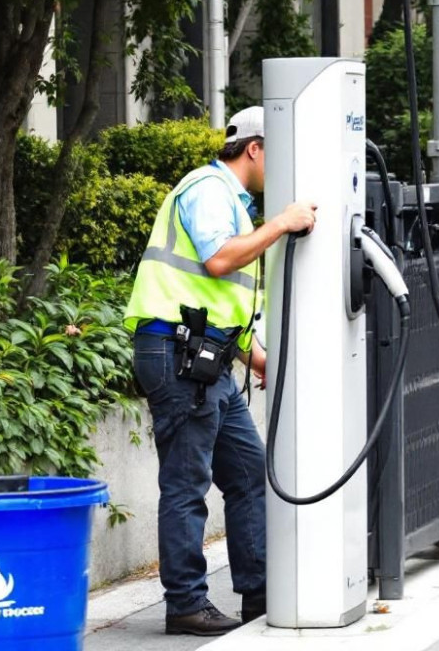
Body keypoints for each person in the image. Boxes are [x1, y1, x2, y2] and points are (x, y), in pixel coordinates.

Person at [124, 107, 317, 636]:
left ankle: (258, 591)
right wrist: (280, 224)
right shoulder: (208, 189)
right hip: (177, 356)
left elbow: (214, 301)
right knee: (187, 483)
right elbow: (217, 261)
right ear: (254, 148)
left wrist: (260, 360)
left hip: (205, 358)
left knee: (248, 470)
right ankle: (185, 603)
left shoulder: (233, 201)